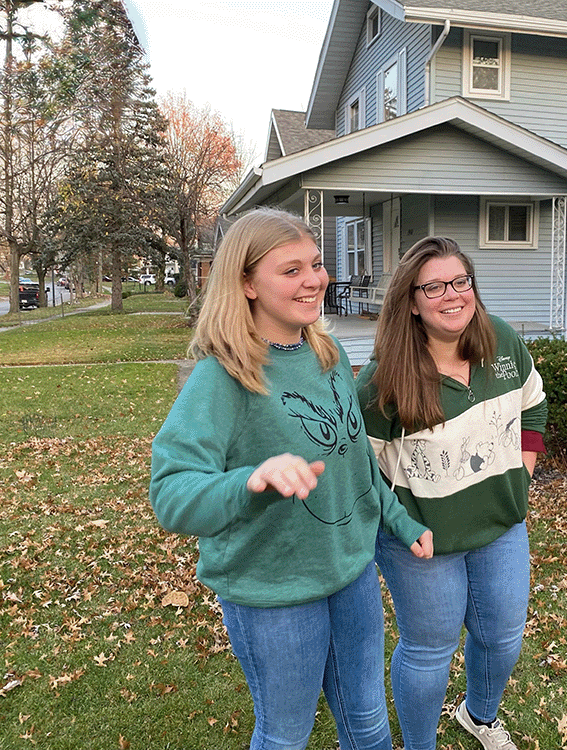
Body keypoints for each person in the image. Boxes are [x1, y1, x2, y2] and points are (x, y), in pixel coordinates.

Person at [149, 208, 433, 750]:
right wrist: (250, 480)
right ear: (247, 284)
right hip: (274, 593)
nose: (315, 280)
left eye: (318, 264)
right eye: (291, 270)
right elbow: (171, 493)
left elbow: (357, 466)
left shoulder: (327, 353)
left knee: (369, 720)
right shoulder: (225, 376)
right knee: (286, 734)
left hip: (350, 575)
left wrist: (399, 521)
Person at [355, 237, 547, 750]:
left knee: (503, 636)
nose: (452, 295)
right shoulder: (384, 378)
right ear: (411, 301)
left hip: (500, 525)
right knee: (429, 649)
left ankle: (479, 716)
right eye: (434, 286)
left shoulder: (501, 342)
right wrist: (401, 525)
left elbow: (535, 404)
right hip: (422, 538)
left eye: (461, 282)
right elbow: (360, 467)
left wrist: (522, 471)